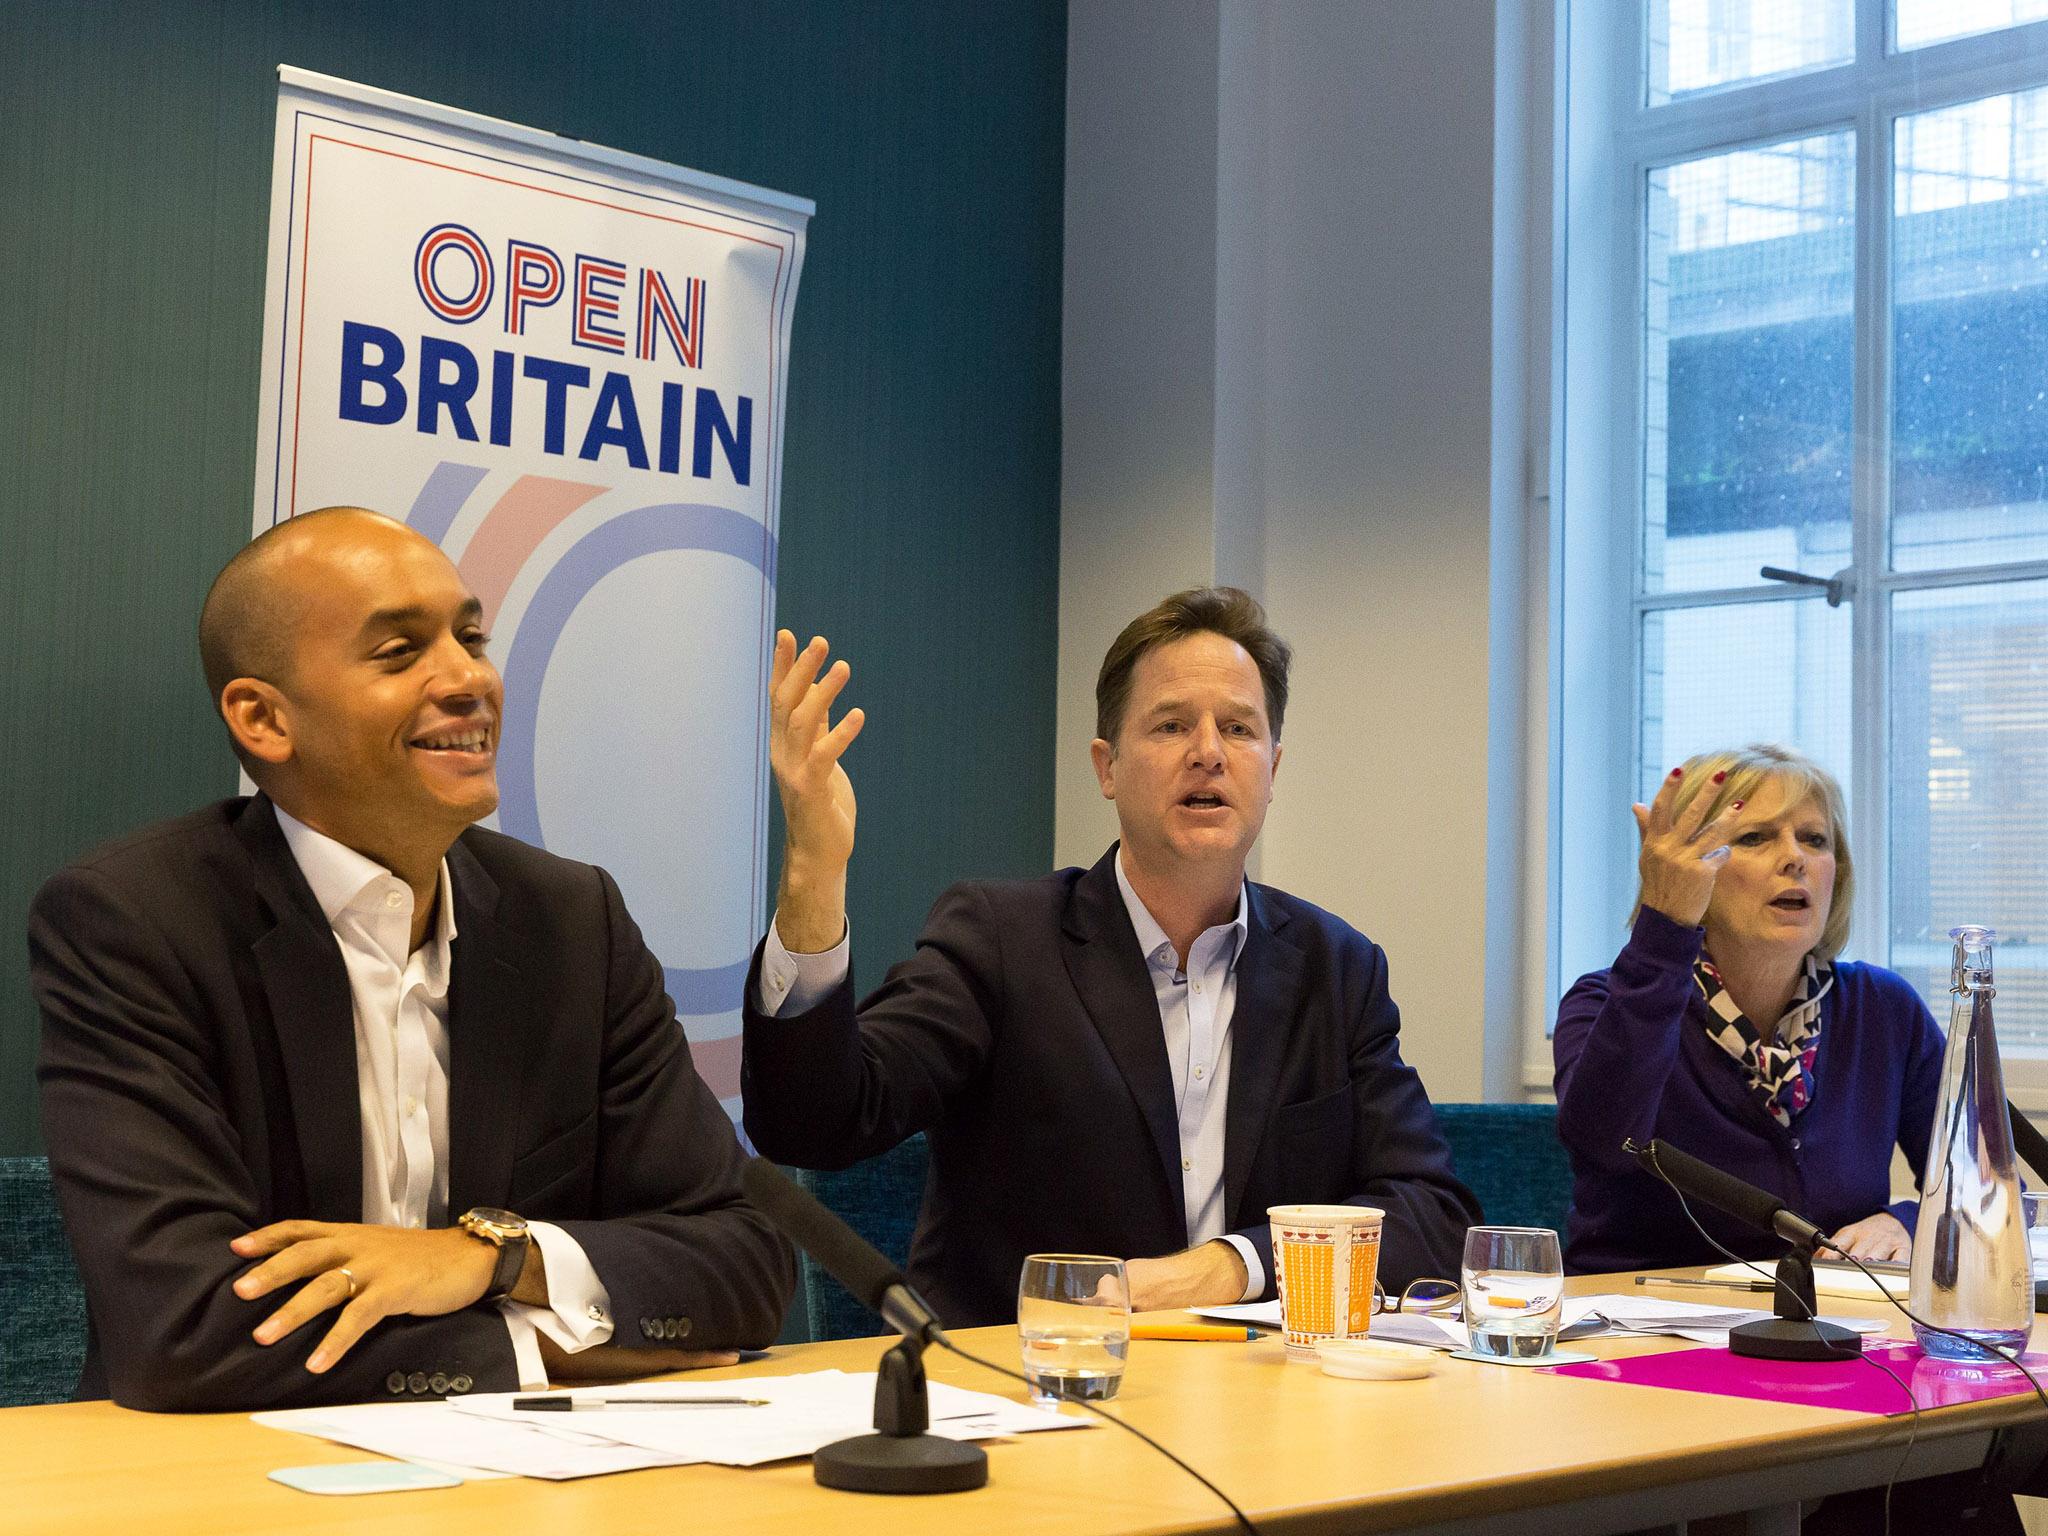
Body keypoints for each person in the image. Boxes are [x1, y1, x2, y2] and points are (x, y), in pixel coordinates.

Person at [30, 507, 793, 1411]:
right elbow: (183, 1331)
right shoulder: (138, 923)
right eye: (400, 653)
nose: (469, 678)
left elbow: (743, 1260)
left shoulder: (571, 920)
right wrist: (544, 1349)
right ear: (264, 719)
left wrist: (486, 1257)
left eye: (471, 637)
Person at [741, 586, 1477, 1327]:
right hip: (1035, 1395)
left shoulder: (1337, 969)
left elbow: (1431, 1215)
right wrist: (814, 869)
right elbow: (816, 1122)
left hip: (1265, 1404)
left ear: (1273, 770)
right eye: (1171, 725)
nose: (1209, 753)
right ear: (1107, 767)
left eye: (1239, 729)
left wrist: (1234, 1265)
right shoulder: (1003, 941)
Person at [1553, 743, 1942, 1275]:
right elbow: (1603, 1145)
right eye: (1755, 838)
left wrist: (1909, 1222)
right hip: (1644, 1326)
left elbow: (1982, 1187)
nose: (1795, 858)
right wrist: (1665, 928)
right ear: (1689, 868)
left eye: (1814, 839)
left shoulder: (1885, 1009)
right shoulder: (1604, 1002)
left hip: (1833, 1327)